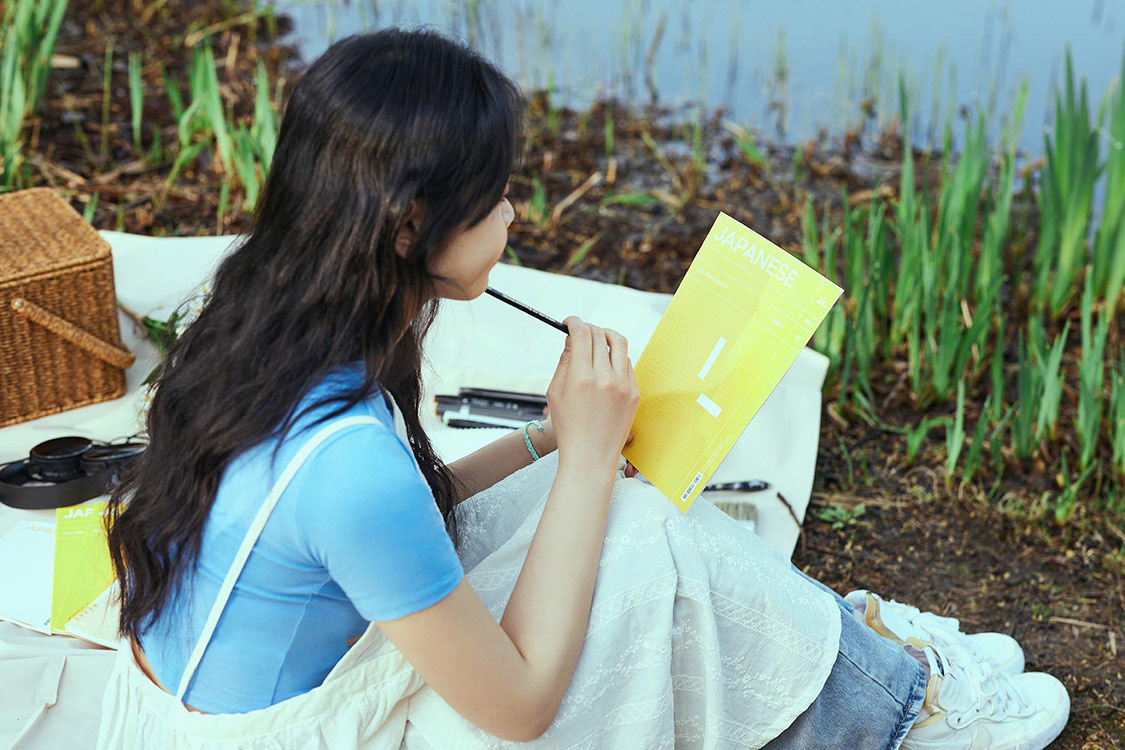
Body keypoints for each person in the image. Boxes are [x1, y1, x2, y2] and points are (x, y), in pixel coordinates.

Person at [97, 27, 1070, 749]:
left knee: (591, 499)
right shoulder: (344, 465)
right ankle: (898, 714)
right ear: (407, 226)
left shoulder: (263, 323)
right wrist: (591, 463)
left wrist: (552, 440)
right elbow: (519, 708)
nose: (514, 216)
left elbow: (410, 515)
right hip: (306, 731)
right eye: (494, 198)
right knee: (643, 531)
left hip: (239, 700)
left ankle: (856, 655)